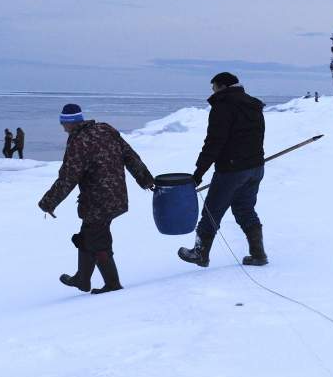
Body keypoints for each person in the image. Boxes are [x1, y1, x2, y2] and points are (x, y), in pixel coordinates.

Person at [38, 104, 155, 294]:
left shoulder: (78, 142)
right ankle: (82, 279)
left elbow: (68, 177)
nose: (62, 128)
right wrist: (146, 179)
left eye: (63, 123)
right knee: (88, 235)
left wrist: (48, 203)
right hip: (116, 196)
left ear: (70, 122)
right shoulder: (105, 130)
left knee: (98, 241)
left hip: (97, 202)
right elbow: (130, 156)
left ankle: (112, 284)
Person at [178, 72, 268, 268]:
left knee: (212, 210)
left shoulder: (223, 106)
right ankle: (258, 254)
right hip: (255, 167)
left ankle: (200, 254)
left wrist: (198, 173)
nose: (212, 91)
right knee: (245, 208)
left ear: (222, 86)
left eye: (214, 87)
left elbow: (214, 143)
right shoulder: (253, 105)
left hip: (232, 170)